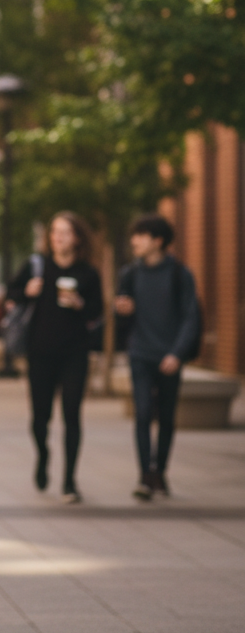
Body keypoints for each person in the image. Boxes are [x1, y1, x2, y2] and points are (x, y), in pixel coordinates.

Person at [7, 212, 103, 504]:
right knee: (40, 418)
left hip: (75, 354)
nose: (57, 237)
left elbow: (98, 313)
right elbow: (10, 295)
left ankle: (70, 481)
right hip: (40, 354)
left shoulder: (88, 273)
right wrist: (27, 291)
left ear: (77, 238)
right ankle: (43, 454)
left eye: (64, 232)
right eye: (54, 232)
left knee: (72, 415)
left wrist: (81, 304)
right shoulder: (38, 267)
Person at [115, 213, 200, 501]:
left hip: (169, 357)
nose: (134, 241)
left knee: (166, 417)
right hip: (140, 353)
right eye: (134, 235)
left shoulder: (179, 274)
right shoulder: (130, 273)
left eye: (141, 235)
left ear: (158, 241)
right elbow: (122, 316)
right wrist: (122, 311)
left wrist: (177, 354)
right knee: (141, 414)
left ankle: (159, 470)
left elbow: (191, 317)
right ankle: (144, 477)